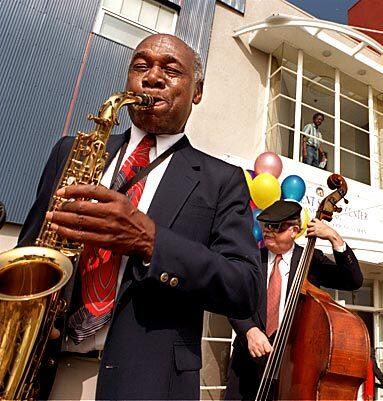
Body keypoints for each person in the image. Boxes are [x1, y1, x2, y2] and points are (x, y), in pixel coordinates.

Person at [17, 34, 260, 400]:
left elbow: (245, 288)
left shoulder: (223, 181)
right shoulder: (70, 151)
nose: (152, 77)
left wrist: (152, 242)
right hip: (41, 371)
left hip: (151, 383)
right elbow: (28, 255)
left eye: (171, 69)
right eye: (141, 67)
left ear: (197, 91)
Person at [225, 199, 363, 400]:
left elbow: (353, 280)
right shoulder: (251, 258)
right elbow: (232, 300)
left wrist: (335, 238)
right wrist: (249, 330)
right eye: (266, 226)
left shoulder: (311, 260)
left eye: (276, 227)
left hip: (292, 367)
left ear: (294, 230)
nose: (268, 231)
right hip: (247, 365)